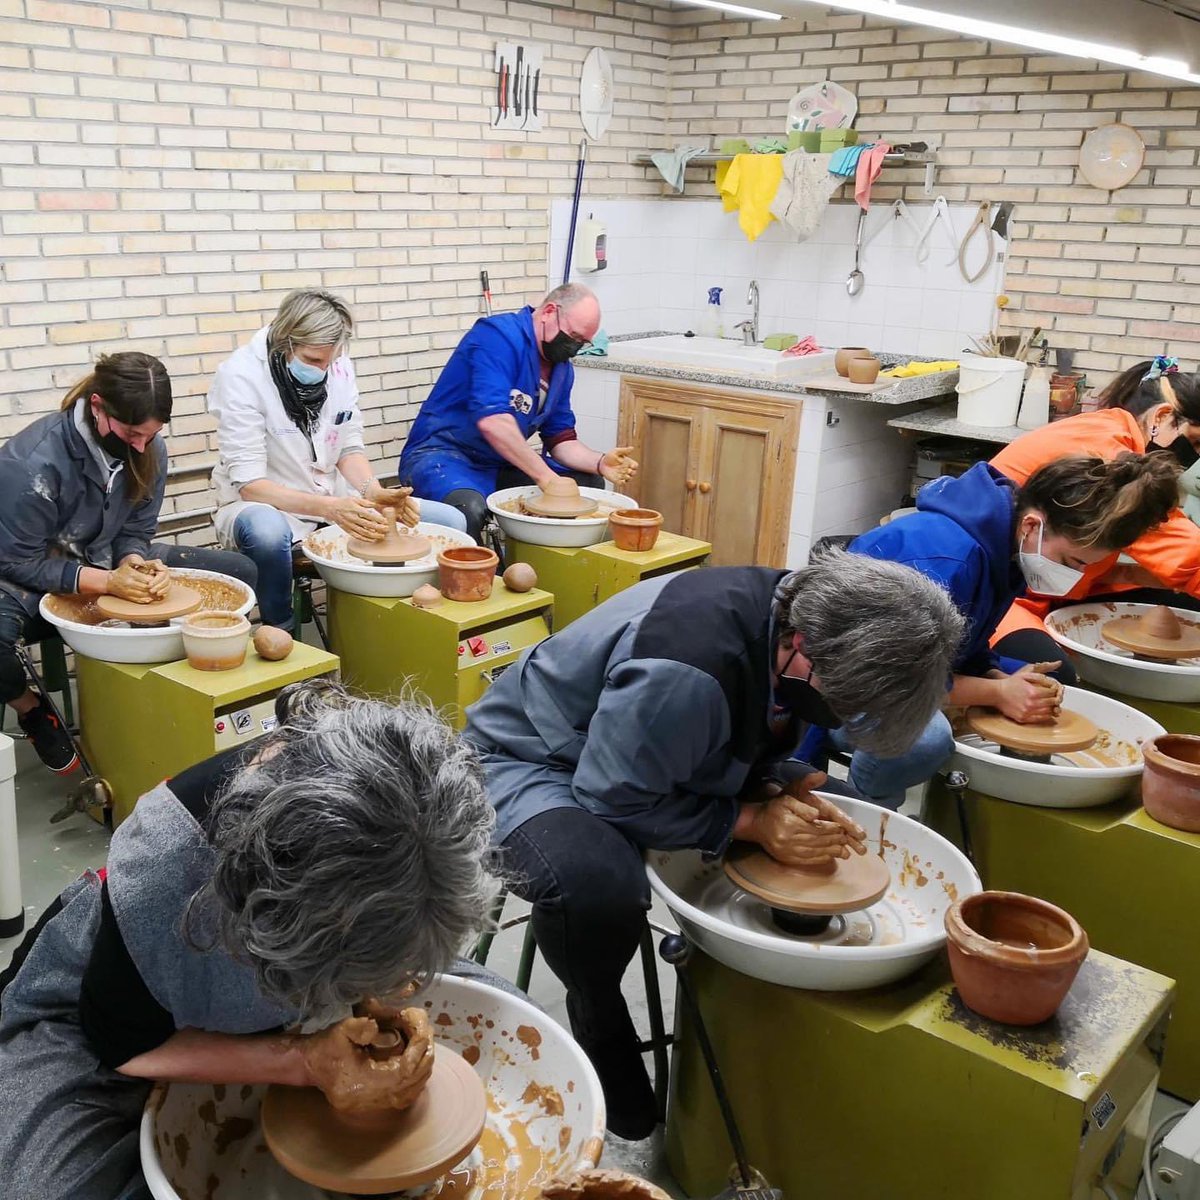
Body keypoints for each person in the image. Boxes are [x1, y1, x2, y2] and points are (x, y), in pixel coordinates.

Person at [464, 550, 964, 1139]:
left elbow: (752, 718)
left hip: (643, 738)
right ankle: (597, 1018)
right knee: (598, 884)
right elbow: (611, 796)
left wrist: (787, 778)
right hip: (531, 758)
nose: (838, 712)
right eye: (840, 701)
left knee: (838, 794)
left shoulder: (800, 615)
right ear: (803, 643)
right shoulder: (690, 667)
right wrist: (751, 823)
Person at [0, 679, 502, 1200]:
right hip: (120, 999)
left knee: (507, 1009)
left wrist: (383, 983)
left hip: (333, 918)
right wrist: (305, 1061)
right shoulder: (170, 876)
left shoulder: (438, 808)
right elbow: (120, 1043)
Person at [806, 453, 1179, 810]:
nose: (1075, 576)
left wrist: (999, 676)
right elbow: (890, 682)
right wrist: (997, 692)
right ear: (1032, 525)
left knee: (1042, 674)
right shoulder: (946, 558)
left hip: (900, 668)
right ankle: (866, 809)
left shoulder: (1005, 547)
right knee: (924, 740)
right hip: (826, 683)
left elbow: (962, 645)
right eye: (1071, 562)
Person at [0, 352, 257, 777]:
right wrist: (106, 582)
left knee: (240, 573)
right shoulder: (32, 464)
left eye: (151, 434)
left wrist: (135, 561)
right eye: (133, 433)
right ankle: (30, 709)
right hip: (27, 574)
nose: (141, 445)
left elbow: (138, 524)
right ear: (97, 406)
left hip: (104, 558)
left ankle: (185, 699)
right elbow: (14, 559)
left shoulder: (148, 445)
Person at [209, 289, 467, 632]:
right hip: (266, 505)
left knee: (450, 520)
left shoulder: (337, 363)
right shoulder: (241, 377)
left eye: (331, 361)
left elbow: (348, 446)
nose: (325, 369)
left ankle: (397, 626)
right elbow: (252, 486)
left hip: (334, 498)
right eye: (314, 361)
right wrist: (331, 508)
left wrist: (372, 491)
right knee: (267, 533)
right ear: (285, 342)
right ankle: (281, 631)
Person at [397, 283, 639, 541]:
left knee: (587, 484)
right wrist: (546, 478)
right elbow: (493, 422)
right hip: (443, 456)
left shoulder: (561, 371)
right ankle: (479, 576)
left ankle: (543, 571)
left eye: (583, 342)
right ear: (548, 312)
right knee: (468, 507)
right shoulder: (497, 337)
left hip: (500, 461)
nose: (574, 348)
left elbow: (561, 440)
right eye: (573, 336)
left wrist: (600, 462)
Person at [990, 356, 1200, 648]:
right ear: (1162, 417)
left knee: (1177, 600)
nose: (1192, 458)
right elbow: (1189, 556)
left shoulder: (1111, 429)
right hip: (1004, 593)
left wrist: (1134, 574)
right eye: (1195, 443)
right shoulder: (1106, 456)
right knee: (1049, 678)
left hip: (1059, 582)